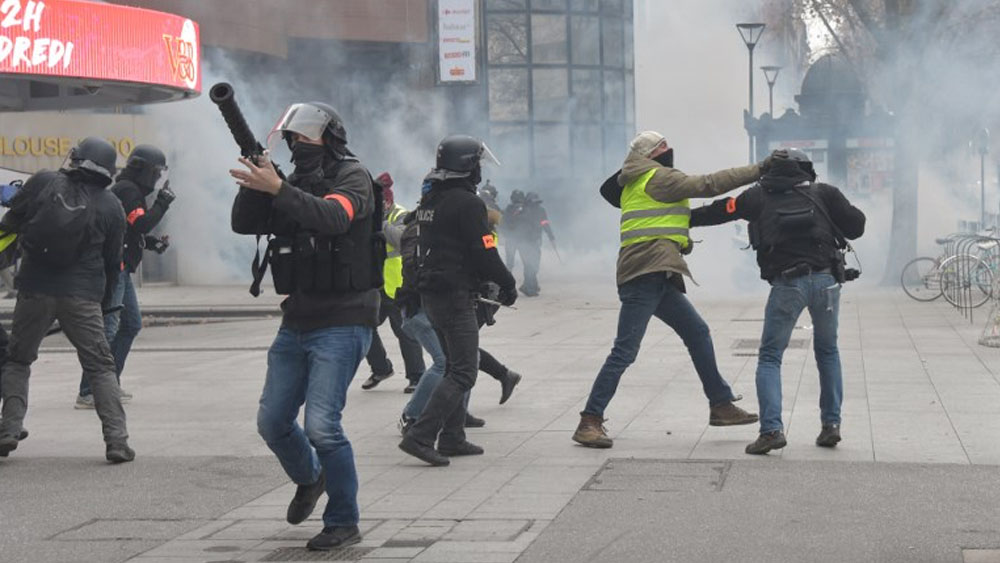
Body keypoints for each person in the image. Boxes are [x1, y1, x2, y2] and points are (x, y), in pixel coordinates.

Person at [229, 101, 382, 551]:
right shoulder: (290, 182)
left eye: (306, 135)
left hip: (345, 316)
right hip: (297, 317)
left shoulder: (353, 176)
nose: (297, 143)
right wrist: (259, 185)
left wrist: (278, 188)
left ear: (331, 137)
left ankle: (342, 520)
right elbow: (244, 224)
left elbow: (333, 218)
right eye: (292, 137)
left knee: (322, 426)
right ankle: (311, 477)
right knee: (272, 421)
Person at [572, 130, 763, 449]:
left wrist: (678, 241)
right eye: (663, 147)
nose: (669, 150)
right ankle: (589, 420)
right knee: (624, 350)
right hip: (644, 273)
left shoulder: (636, 181)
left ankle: (720, 404)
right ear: (650, 155)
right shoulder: (657, 177)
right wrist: (760, 169)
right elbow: (710, 184)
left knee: (698, 332)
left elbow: (657, 221)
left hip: (655, 273)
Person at [690, 148, 866, 455]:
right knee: (828, 351)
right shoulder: (824, 193)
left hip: (787, 285)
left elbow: (721, 210)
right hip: (826, 282)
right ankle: (831, 425)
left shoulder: (757, 197)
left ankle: (771, 431)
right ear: (806, 169)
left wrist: (684, 219)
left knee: (770, 356)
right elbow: (857, 226)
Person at [0, 137, 133, 462]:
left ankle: (8, 429)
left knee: (18, 360)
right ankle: (117, 441)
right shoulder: (111, 205)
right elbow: (112, 262)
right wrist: (104, 304)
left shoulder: (44, 181)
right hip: (83, 296)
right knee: (101, 366)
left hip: (34, 289)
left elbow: (11, 224)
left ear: (76, 158)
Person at [397, 135, 517, 467]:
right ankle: (420, 435)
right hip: (454, 295)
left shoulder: (432, 200)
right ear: (467, 165)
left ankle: (452, 438)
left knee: (451, 365)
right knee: (463, 372)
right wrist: (507, 284)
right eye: (477, 163)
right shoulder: (468, 203)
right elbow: (484, 252)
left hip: (432, 295)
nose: (479, 170)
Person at [393, 214, 522, 434]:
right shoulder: (420, 229)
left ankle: (459, 413)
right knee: (445, 362)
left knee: (464, 357)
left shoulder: (449, 224)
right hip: (422, 305)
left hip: (449, 301)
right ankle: (411, 417)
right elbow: (413, 267)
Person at [76, 145, 175, 409]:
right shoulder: (128, 190)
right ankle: (89, 390)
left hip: (122, 268)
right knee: (108, 329)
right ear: (145, 170)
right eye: (156, 173)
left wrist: (151, 243)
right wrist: (163, 202)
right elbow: (140, 223)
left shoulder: (128, 190)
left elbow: (132, 229)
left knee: (130, 324)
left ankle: (109, 385)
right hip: (115, 268)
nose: (157, 179)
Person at [359, 172, 425, 393]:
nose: (382, 204)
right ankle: (381, 368)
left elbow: (401, 238)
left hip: (396, 284)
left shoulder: (401, 214)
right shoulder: (366, 215)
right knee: (364, 327)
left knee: (405, 333)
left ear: (388, 199)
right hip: (373, 284)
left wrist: (381, 223)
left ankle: (416, 376)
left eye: (383, 201)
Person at [513, 191, 555, 297]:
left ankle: (529, 285)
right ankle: (530, 287)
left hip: (535, 242)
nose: (534, 205)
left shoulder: (541, 211)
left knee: (533, 265)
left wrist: (551, 238)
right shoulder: (521, 210)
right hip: (523, 242)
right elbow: (514, 224)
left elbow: (545, 224)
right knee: (529, 264)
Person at [502, 189, 526, 269]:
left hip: (512, 237)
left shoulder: (509, 208)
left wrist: (505, 234)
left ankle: (509, 277)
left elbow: (503, 222)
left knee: (510, 261)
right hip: (521, 237)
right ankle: (529, 279)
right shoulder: (526, 208)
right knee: (526, 260)